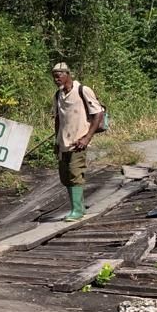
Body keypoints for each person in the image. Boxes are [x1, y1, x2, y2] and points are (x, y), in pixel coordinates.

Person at [51, 62, 105, 221]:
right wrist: (57, 141)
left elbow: (98, 113)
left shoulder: (82, 90)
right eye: (54, 76)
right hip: (63, 141)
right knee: (65, 176)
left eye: (59, 75)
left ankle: (77, 211)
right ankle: (79, 207)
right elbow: (58, 120)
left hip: (78, 141)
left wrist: (87, 137)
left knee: (75, 173)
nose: (56, 79)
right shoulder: (58, 95)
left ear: (68, 74)